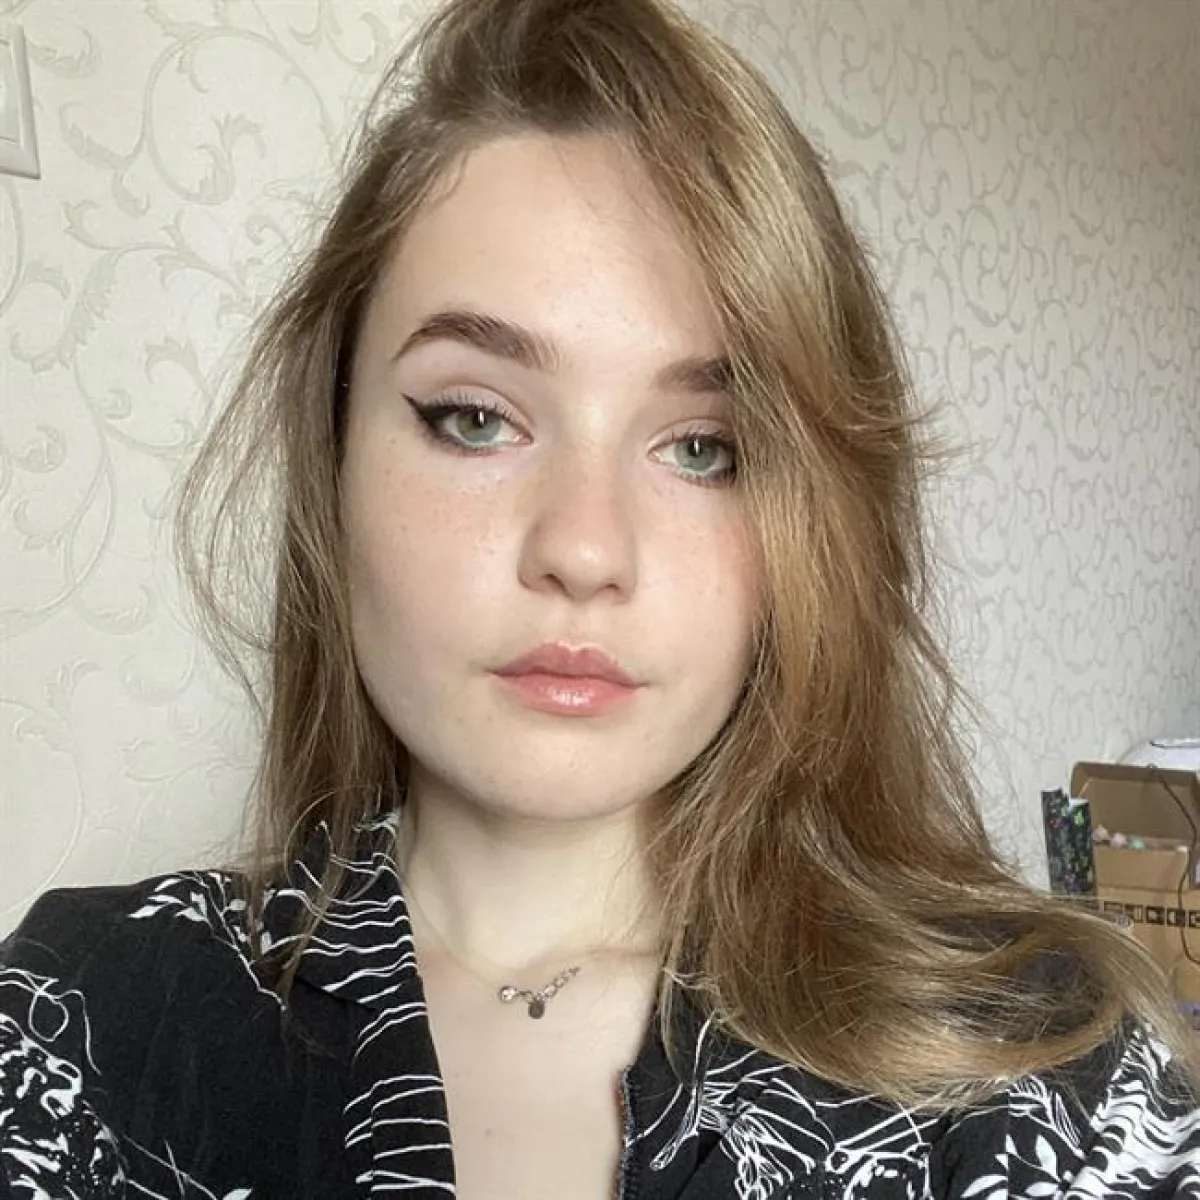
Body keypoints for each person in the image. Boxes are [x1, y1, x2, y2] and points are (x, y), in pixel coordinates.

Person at [1, 0, 1197, 1195]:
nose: (584, 549)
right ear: (334, 458)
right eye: (475, 419)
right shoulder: (80, 1028)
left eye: (704, 448)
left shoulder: (1046, 1065)